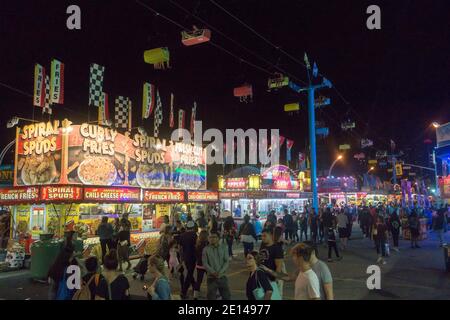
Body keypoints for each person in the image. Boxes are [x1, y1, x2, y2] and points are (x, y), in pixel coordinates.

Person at [202, 231, 231, 300]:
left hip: (222, 276)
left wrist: (220, 272)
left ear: (218, 238)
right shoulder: (206, 249)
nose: (212, 239)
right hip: (211, 278)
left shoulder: (224, 248)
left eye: (214, 237)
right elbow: (205, 263)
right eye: (210, 237)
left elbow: (226, 261)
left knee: (226, 296)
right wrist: (213, 272)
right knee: (211, 297)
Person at [179, 220, 198, 299]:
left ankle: (194, 286)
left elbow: (180, 248)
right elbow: (197, 246)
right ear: (193, 227)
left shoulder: (182, 235)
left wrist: (181, 257)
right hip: (193, 257)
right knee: (190, 273)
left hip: (185, 257)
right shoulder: (195, 235)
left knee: (189, 272)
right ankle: (184, 291)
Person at [193, 230, 209, 300]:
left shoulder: (197, 244)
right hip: (207, 265)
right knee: (210, 280)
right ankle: (210, 294)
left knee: (198, 280)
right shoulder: (207, 245)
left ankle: (195, 296)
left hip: (199, 265)